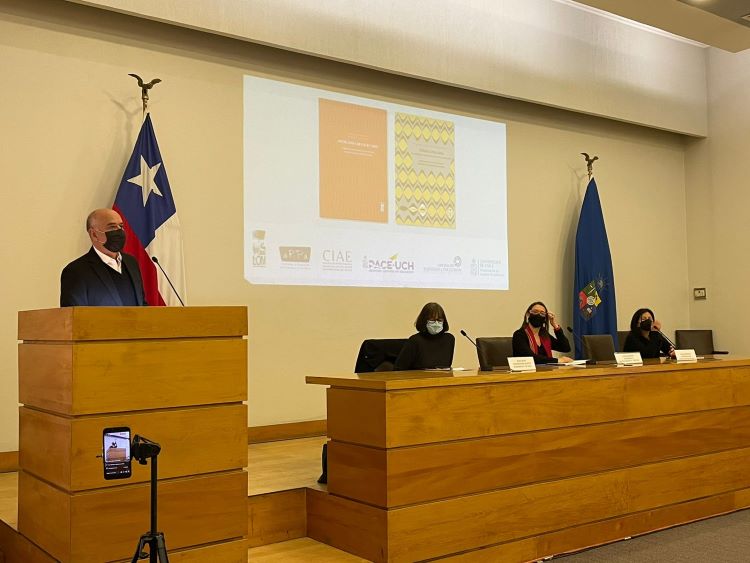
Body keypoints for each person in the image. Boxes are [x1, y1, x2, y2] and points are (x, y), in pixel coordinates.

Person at [60, 208, 147, 306]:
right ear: (94, 234)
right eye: (112, 227)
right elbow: (75, 316)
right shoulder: (76, 271)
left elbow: (141, 305)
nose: (119, 231)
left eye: (121, 226)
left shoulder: (131, 262)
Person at [394, 302, 455, 370]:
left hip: (441, 379)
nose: (436, 323)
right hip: (417, 379)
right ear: (424, 320)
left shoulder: (449, 339)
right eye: (432, 320)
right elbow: (398, 369)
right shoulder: (415, 341)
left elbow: (446, 366)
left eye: (439, 320)